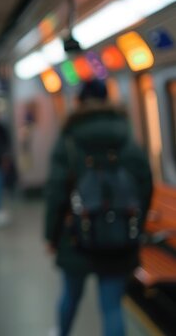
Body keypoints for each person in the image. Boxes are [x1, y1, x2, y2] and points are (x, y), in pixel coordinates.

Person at [44, 80, 153, 336]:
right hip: (119, 233)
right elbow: (144, 183)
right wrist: (136, 224)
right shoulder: (125, 134)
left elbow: (56, 191)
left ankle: (61, 332)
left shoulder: (69, 137)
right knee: (112, 306)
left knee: (70, 295)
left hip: (74, 233)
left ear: (79, 102)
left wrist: (51, 234)